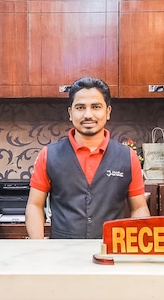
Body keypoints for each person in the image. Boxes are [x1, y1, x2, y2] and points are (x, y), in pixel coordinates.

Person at [26, 77, 150, 239]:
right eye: (80, 107)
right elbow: (34, 205)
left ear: (108, 112)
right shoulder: (49, 155)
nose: (88, 114)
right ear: (70, 113)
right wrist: (38, 247)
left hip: (110, 248)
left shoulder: (128, 156)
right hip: (62, 250)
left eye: (96, 107)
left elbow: (139, 208)